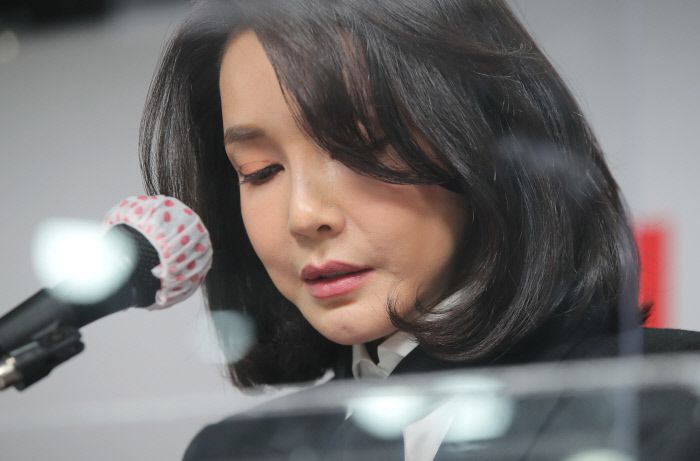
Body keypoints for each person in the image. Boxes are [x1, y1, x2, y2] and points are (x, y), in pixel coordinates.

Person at [139, 1, 700, 459]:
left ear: (485, 139)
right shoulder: (233, 452)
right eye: (260, 171)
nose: (303, 216)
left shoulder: (673, 402)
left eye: (357, 146)